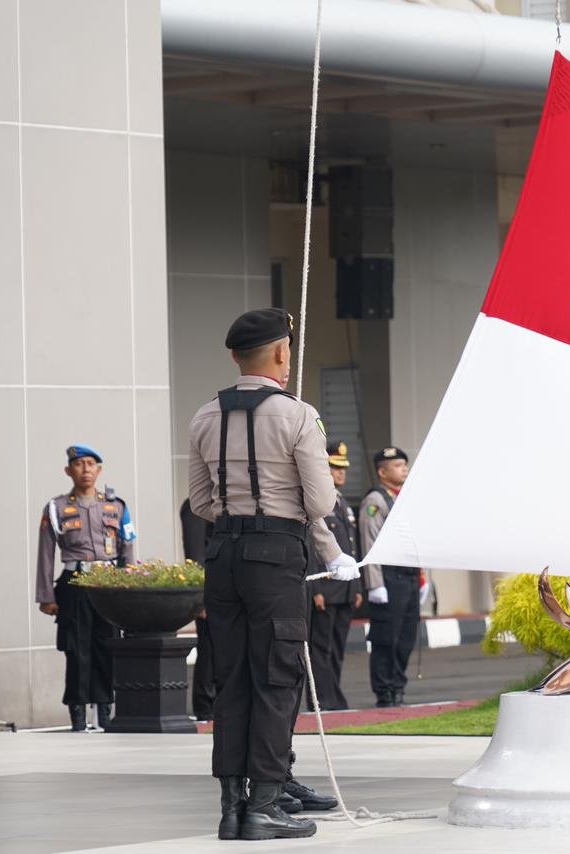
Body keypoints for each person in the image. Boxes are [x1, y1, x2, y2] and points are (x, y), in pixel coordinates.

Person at [187, 307, 360, 841]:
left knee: (231, 678)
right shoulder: (298, 415)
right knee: (276, 677)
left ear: (237, 356)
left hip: (223, 556)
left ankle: (232, 807)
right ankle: (265, 805)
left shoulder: (204, 415)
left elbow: (199, 502)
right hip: (276, 556)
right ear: (281, 353)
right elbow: (321, 499)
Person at [35, 445, 137, 733]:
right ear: (69, 471)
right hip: (74, 582)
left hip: (107, 584)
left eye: (91, 464)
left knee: (107, 648)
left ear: (100, 470)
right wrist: (46, 596)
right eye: (79, 464)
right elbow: (45, 553)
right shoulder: (56, 508)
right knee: (76, 649)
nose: (86, 470)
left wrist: (127, 588)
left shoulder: (116, 506)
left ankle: (105, 712)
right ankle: (78, 715)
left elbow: (127, 549)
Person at [359, 446, 421, 708]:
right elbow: (369, 542)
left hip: (408, 577)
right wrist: (374, 584)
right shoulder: (375, 501)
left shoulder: (404, 498)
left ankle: (398, 686)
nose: (404, 468)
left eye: (404, 464)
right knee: (387, 637)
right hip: (388, 577)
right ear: (382, 472)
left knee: (406, 637)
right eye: (397, 465)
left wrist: (423, 578)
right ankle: (385, 691)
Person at [305, 440, 362, 711]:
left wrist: (357, 586)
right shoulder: (317, 502)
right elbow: (312, 545)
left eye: (343, 469)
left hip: (344, 589)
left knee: (337, 648)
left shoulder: (342, 502)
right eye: (333, 468)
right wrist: (315, 590)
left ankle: (335, 697)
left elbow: (350, 546)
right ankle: (321, 699)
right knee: (320, 649)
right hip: (324, 588)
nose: (341, 473)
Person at [180, 498, 216, 721]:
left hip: (228, 589)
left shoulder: (227, 500)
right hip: (210, 591)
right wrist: (201, 598)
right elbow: (195, 555)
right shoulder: (197, 504)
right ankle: (205, 706)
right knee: (210, 650)